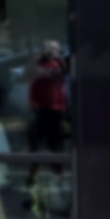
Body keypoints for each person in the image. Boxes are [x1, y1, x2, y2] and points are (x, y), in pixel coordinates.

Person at [25, 40, 69, 209]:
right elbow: (28, 73)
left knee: (55, 146)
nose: (52, 51)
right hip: (38, 108)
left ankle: (58, 182)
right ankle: (33, 184)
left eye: (55, 49)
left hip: (55, 109)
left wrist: (57, 59)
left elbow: (58, 73)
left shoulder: (60, 63)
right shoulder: (37, 62)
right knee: (35, 147)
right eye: (48, 48)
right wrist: (39, 58)